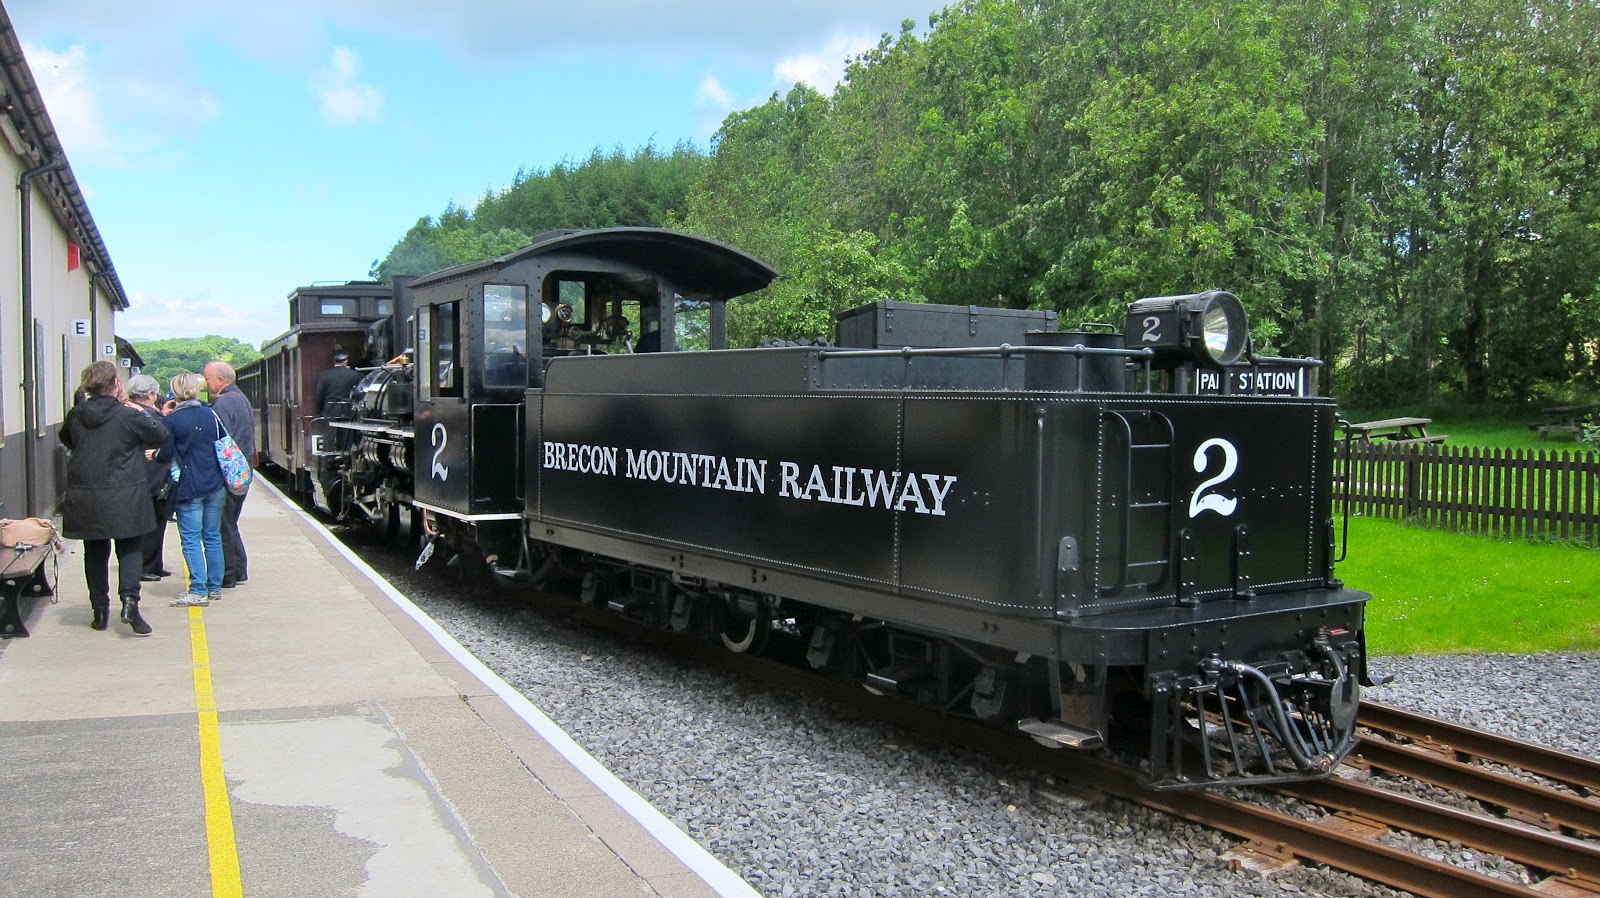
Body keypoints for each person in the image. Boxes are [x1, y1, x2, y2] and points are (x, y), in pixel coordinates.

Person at [58, 361, 169, 634]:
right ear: (116, 385)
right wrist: (139, 411)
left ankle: (99, 610)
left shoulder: (76, 415)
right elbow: (161, 434)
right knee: (130, 548)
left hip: (87, 496)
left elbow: (67, 439)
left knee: (95, 552)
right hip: (126, 493)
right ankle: (130, 602)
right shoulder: (127, 415)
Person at [164, 373, 227, 605]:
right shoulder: (211, 414)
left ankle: (198, 590)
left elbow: (166, 454)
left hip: (189, 486)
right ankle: (214, 587)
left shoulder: (172, 421)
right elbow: (224, 442)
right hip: (215, 483)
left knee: (190, 539)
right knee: (212, 536)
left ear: (175, 392)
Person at [204, 360, 254, 588]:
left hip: (229, 472)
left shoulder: (223, 403)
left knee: (222, 523)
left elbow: (218, 440)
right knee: (230, 522)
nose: (206, 384)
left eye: (208, 379)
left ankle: (228, 573)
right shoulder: (240, 398)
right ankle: (239, 568)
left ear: (221, 380)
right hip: (242, 469)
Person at [127, 374, 176, 582]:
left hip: (139, 471)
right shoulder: (150, 417)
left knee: (155, 522)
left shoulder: (131, 413)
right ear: (149, 394)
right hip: (153, 473)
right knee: (154, 522)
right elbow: (163, 434)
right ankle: (147, 565)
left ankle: (154, 564)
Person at [314, 350, 363, 415]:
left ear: (334, 361)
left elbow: (319, 394)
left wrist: (321, 409)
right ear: (346, 361)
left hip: (330, 411)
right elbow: (361, 391)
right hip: (349, 411)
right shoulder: (355, 374)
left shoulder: (324, 375)